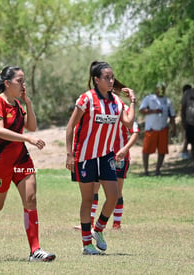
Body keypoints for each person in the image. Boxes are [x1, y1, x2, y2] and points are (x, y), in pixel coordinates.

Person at [0, 66, 55, 262]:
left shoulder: (17, 104)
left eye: (24, 80)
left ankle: (35, 250)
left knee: (31, 198)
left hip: (21, 159)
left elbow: (32, 126)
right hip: (0, 162)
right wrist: (28, 139)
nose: (23, 84)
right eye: (19, 81)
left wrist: (28, 104)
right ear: (7, 83)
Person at [66, 61, 136, 255]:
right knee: (87, 199)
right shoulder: (86, 99)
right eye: (107, 77)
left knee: (113, 196)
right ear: (96, 80)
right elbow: (70, 127)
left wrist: (133, 101)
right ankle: (86, 244)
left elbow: (129, 123)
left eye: (112, 77)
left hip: (106, 156)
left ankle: (98, 230)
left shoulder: (116, 101)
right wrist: (69, 154)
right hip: (85, 156)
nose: (111, 80)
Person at [73, 81, 139, 231]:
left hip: (120, 156)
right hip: (100, 154)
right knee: (94, 189)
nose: (111, 91)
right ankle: (89, 223)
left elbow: (134, 130)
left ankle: (116, 223)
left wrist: (124, 149)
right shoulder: (99, 106)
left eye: (114, 89)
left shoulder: (123, 107)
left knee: (116, 192)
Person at [139, 82, 176, 176]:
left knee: (162, 150)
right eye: (159, 88)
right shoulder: (149, 98)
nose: (161, 90)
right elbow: (142, 110)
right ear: (156, 89)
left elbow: (172, 115)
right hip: (151, 128)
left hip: (163, 128)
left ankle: (157, 170)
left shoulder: (167, 101)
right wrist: (153, 111)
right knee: (146, 150)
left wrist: (173, 127)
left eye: (163, 88)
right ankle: (146, 171)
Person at [179, 84, 192, 160]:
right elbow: (182, 111)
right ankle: (184, 151)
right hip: (187, 120)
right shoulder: (185, 99)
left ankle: (185, 151)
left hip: (192, 120)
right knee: (186, 136)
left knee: (188, 136)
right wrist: (183, 121)